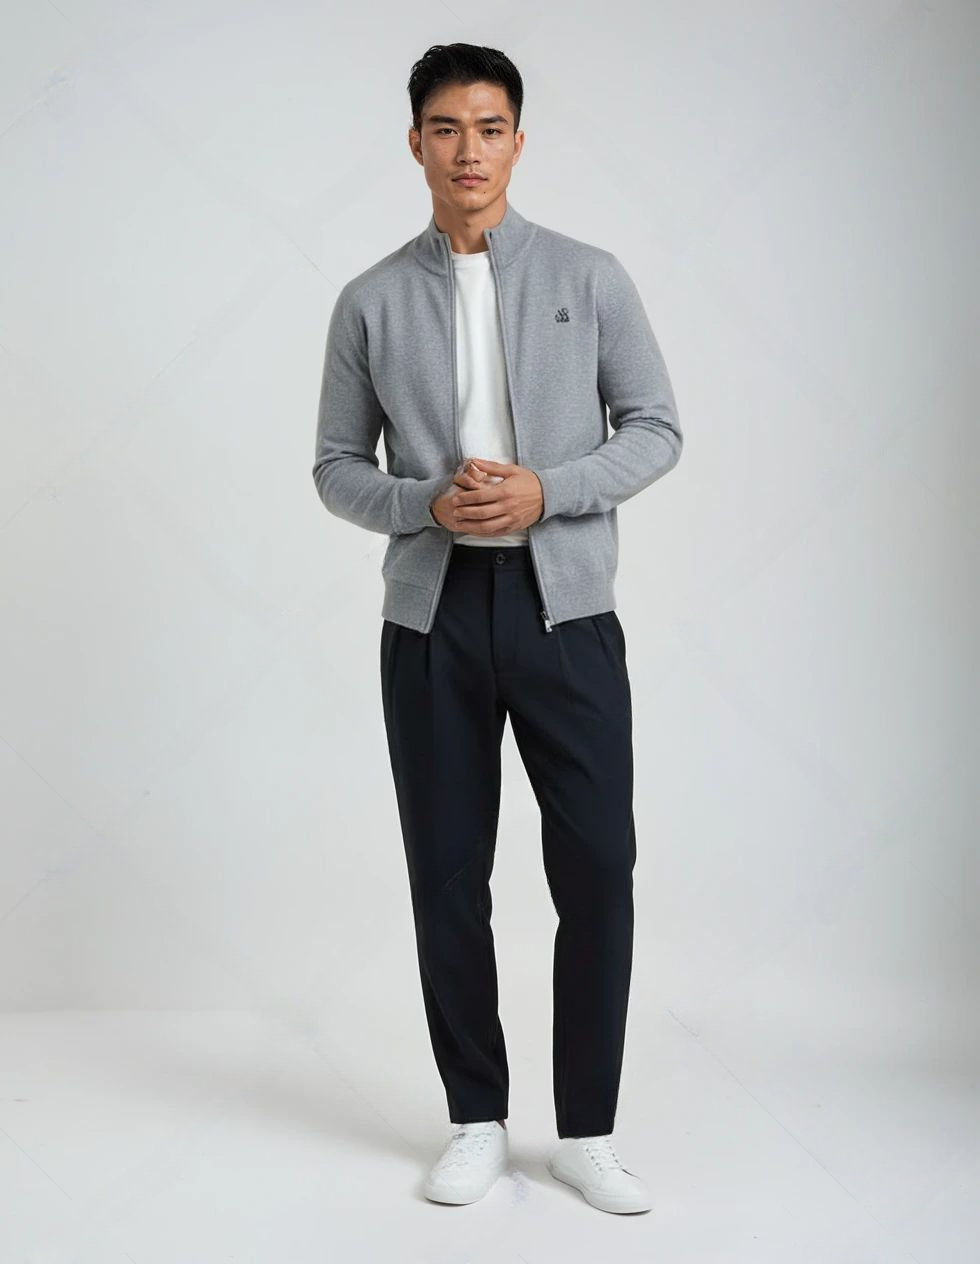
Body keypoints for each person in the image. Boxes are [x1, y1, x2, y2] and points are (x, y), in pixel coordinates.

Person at [312, 42, 682, 1215]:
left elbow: (655, 427)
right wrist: (425, 504)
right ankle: (474, 1116)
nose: (466, 150)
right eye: (444, 128)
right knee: (445, 873)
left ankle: (586, 1132)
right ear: (414, 144)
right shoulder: (370, 299)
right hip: (431, 617)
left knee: (598, 867)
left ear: (518, 141)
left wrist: (546, 490)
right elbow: (333, 466)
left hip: (563, 608)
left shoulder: (589, 276)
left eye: (487, 127)